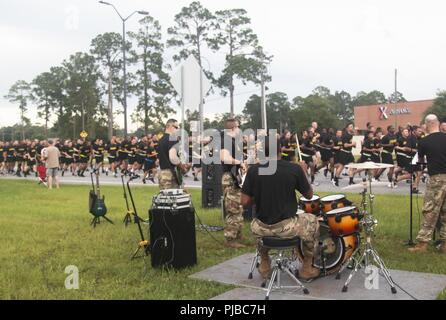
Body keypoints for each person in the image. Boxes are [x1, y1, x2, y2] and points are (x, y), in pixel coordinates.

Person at [241, 136, 320, 281]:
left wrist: (259, 192)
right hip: (286, 228)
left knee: (257, 225)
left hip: (261, 228)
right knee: (313, 220)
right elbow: (309, 196)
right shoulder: (294, 168)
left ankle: (264, 263)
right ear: (280, 150)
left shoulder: (253, 170)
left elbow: (244, 202)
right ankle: (307, 268)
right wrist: (303, 172)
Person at [409, 115, 446, 254]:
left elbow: (420, 160)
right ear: (437, 123)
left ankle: (422, 244)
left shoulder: (424, 141)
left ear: (427, 124)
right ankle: (444, 245)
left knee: (430, 211)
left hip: (437, 179)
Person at [220, 118, 246, 248]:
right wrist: (239, 162)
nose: (240, 129)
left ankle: (238, 234)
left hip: (234, 178)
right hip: (229, 179)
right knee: (233, 209)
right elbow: (224, 157)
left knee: (238, 207)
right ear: (232, 128)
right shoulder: (226, 141)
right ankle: (230, 239)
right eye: (238, 127)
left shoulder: (234, 142)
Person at [156, 119, 190, 190]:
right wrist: (182, 167)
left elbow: (158, 160)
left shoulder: (161, 140)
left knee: (164, 199)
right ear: (170, 126)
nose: (178, 130)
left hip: (162, 173)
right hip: (170, 174)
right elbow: (173, 158)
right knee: (173, 199)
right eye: (177, 127)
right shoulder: (173, 139)